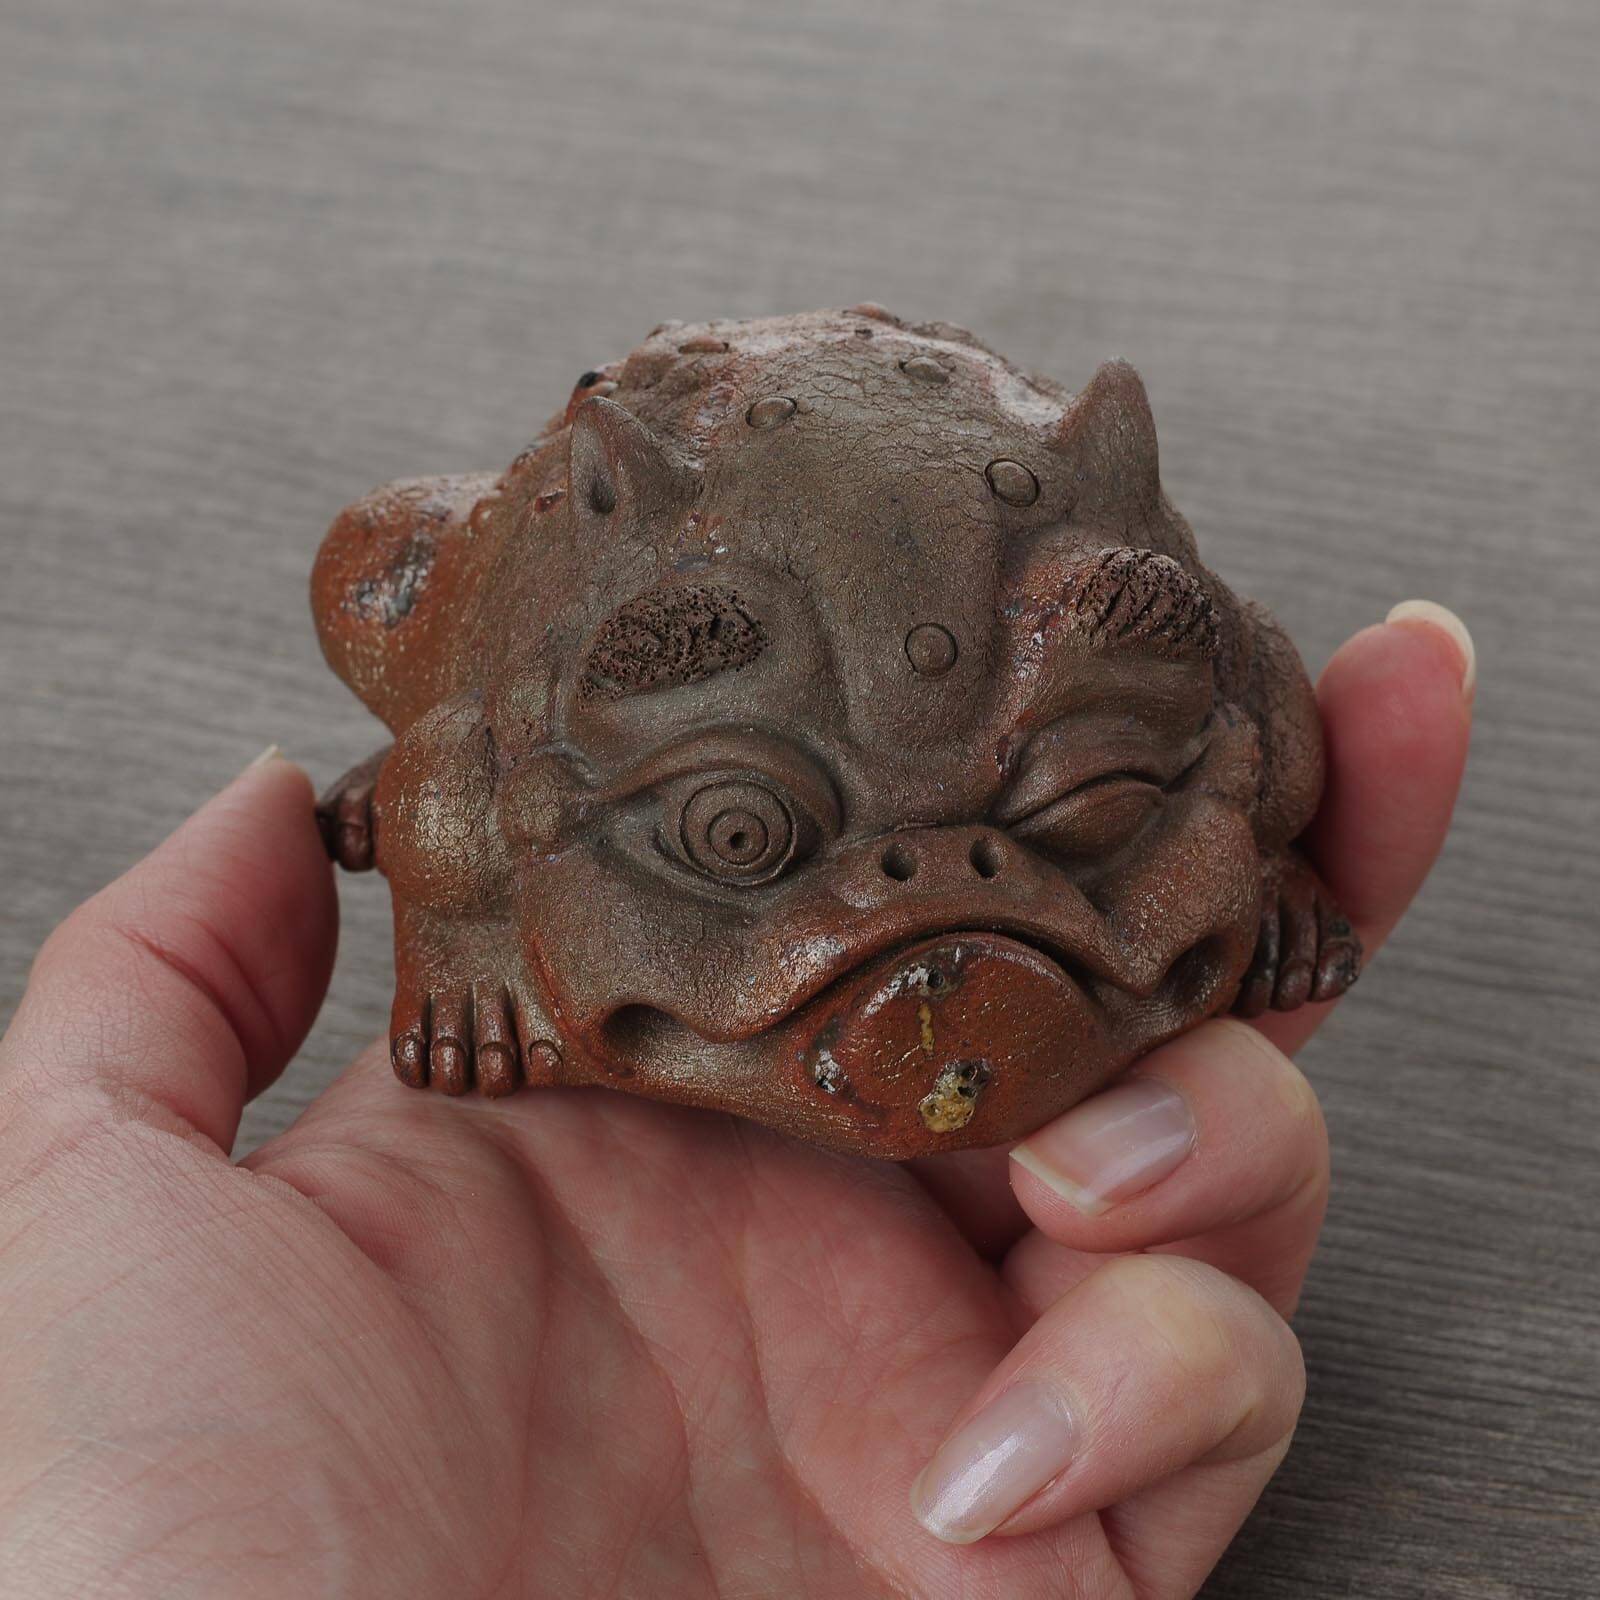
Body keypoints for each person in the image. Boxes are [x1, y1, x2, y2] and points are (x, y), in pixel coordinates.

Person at [0, 605, 1473, 1599]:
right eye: (741, 834)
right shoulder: (538, 736)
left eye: (1082, 815)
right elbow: (454, 778)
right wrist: (462, 941)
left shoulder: (1172, 708)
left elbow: (1236, 705)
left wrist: (1251, 867)